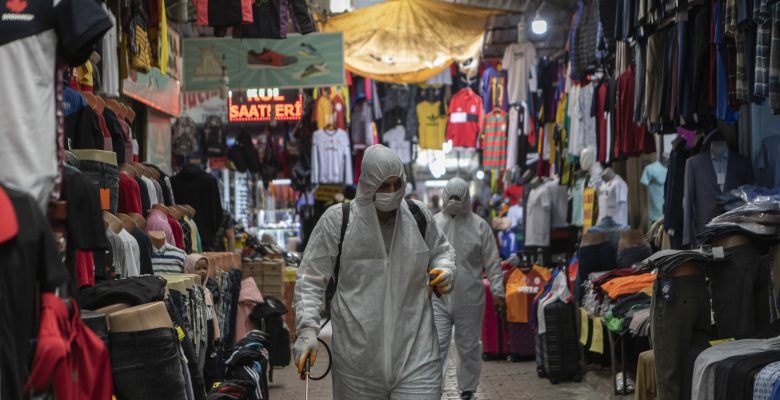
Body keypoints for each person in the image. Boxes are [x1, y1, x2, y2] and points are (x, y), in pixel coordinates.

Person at [293, 144, 457, 399]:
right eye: (383, 186)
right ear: (367, 184)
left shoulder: (418, 216)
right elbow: (311, 278)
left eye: (396, 184)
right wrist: (307, 330)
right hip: (357, 366)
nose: (391, 193)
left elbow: (442, 251)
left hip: (417, 359)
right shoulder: (338, 221)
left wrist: (444, 270)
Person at [432, 177, 505, 400]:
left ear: (466, 199)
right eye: (450, 197)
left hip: (470, 297)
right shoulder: (433, 224)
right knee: (435, 347)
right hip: (438, 296)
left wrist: (498, 292)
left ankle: (467, 390)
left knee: (469, 346)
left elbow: (492, 261)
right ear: (444, 196)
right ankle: (433, 390)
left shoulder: (480, 226)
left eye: (458, 197)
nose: (454, 201)